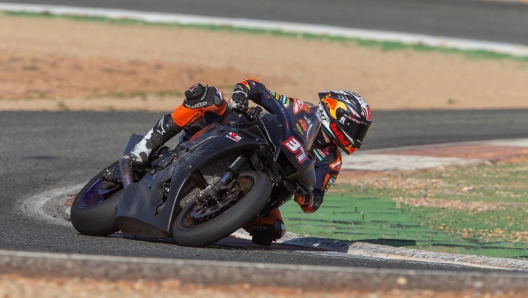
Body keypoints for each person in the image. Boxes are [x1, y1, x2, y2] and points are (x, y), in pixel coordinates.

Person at [127, 78, 372, 246]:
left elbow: (315, 198)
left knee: (272, 230)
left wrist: (308, 198)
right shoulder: (299, 109)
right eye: (355, 128)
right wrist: (244, 93)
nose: (356, 136)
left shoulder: (332, 161)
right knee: (208, 97)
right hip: (244, 138)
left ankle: (219, 211)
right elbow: (258, 90)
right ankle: (146, 145)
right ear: (336, 113)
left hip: (267, 182)